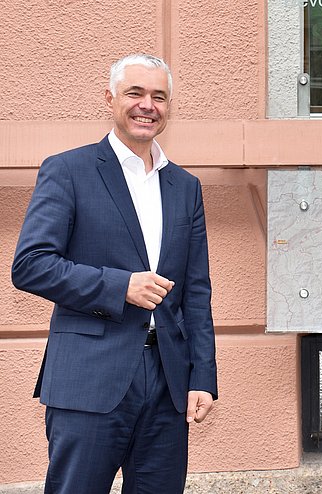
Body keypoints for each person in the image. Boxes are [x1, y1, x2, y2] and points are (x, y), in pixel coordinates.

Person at [12, 53, 218, 494]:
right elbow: (30, 265)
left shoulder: (185, 187)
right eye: (136, 93)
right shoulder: (68, 170)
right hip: (88, 381)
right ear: (110, 98)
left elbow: (195, 293)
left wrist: (202, 376)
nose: (148, 105)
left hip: (167, 383)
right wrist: (119, 285)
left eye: (159, 97)